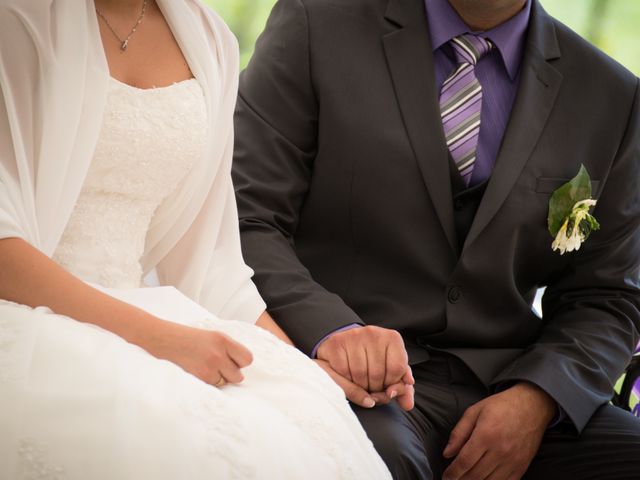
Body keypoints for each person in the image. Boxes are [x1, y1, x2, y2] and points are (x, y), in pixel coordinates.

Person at [232, 0, 640, 478]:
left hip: (509, 382)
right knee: (369, 461)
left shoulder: (611, 95)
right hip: (348, 379)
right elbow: (247, 217)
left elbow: (607, 296)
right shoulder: (314, 24)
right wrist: (333, 329)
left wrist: (539, 397)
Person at [0, 0, 392, 478]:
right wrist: (157, 338)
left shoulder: (210, 41)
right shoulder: (17, 18)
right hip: (28, 314)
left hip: (161, 316)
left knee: (302, 429)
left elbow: (210, 264)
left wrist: (305, 365)